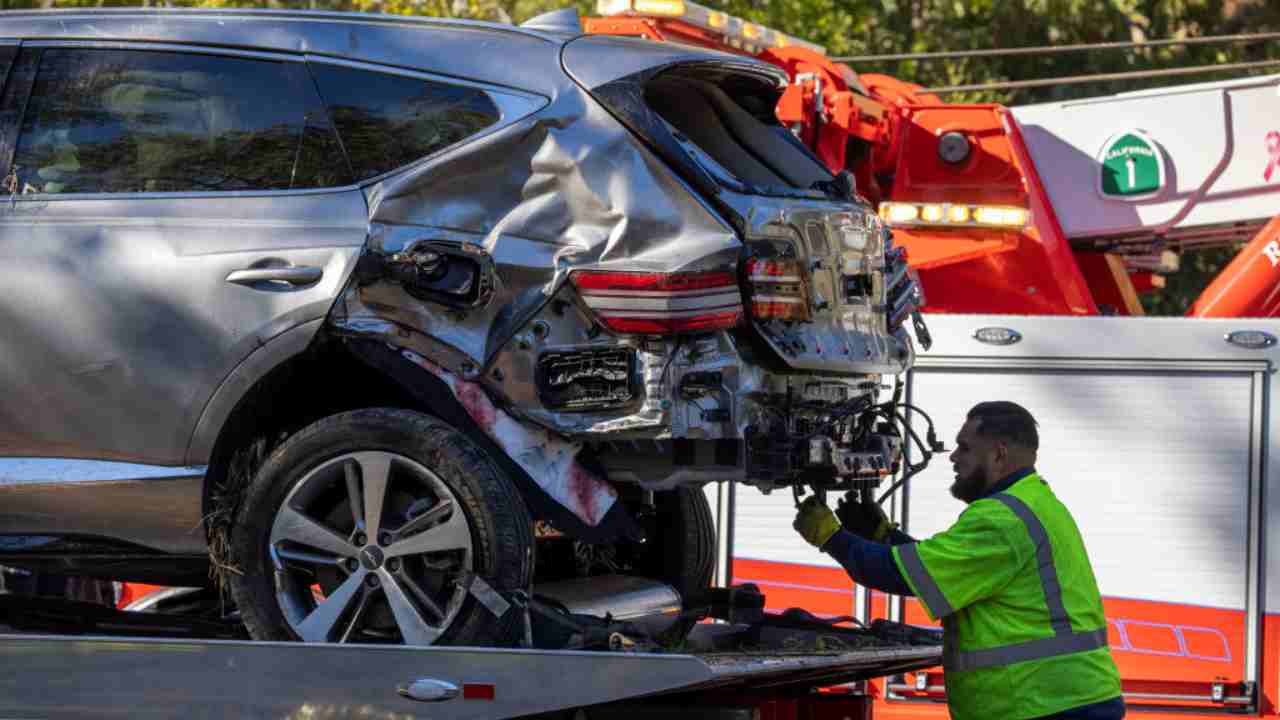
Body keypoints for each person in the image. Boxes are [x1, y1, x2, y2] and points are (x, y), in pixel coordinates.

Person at [793, 401, 1124, 720]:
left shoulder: (1002, 519)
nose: (953, 457)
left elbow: (901, 575)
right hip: (1063, 700)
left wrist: (831, 537)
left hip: (1044, 705)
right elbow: (946, 569)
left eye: (964, 448)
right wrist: (883, 536)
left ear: (998, 454)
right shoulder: (1034, 502)